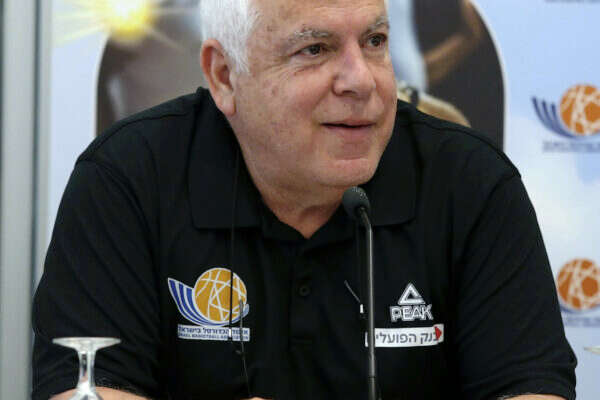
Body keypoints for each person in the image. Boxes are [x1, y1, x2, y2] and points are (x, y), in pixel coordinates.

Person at [32, 0, 576, 399]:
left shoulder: (470, 181)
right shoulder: (129, 177)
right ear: (225, 76)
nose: (361, 81)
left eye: (375, 42)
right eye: (314, 49)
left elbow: (531, 388)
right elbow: (84, 387)